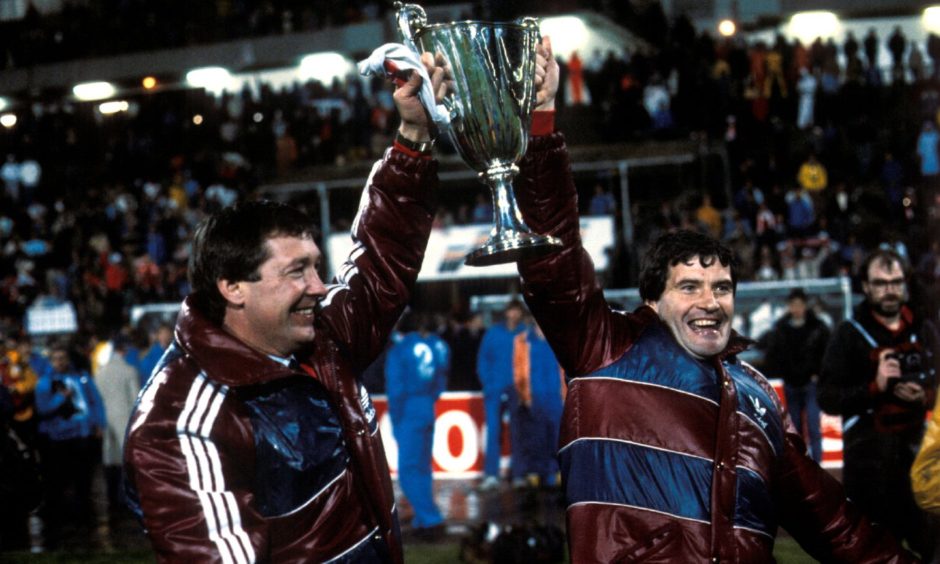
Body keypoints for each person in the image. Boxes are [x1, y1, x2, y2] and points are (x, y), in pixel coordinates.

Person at [509, 36, 915, 562]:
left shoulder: (759, 397)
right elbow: (553, 256)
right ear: (652, 303)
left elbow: (832, 522)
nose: (711, 301)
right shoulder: (607, 349)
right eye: (690, 287)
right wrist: (542, 125)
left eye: (722, 288)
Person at [123, 52, 449, 563]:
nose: (321, 287)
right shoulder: (179, 423)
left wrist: (412, 138)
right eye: (297, 271)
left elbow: (380, 262)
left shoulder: (318, 339)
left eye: (317, 267)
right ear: (233, 287)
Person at [819, 249, 938, 558]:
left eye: (896, 282)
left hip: (921, 462)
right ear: (867, 287)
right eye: (881, 283)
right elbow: (828, 399)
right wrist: (875, 387)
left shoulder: (924, 330)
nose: (890, 290)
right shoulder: (848, 335)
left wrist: (925, 395)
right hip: (870, 471)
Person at [384, 311, 449, 540]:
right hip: (427, 405)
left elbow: (396, 388)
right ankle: (423, 519)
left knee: (408, 470)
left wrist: (396, 418)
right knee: (422, 467)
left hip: (408, 407)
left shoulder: (400, 350)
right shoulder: (437, 345)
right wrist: (429, 399)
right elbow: (441, 379)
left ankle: (431, 519)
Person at [35, 343, 106, 543]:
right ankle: (61, 520)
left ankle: (85, 517)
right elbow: (43, 409)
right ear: (50, 361)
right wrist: (60, 398)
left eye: (63, 358)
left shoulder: (81, 377)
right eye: (56, 358)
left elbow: (95, 400)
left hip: (82, 434)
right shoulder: (45, 382)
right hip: (60, 437)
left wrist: (98, 423)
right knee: (60, 480)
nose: (60, 362)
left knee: (84, 478)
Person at [763, 288, 830, 463]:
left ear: (805, 306)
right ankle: (802, 467)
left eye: (800, 305)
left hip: (811, 383)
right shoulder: (780, 329)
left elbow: (827, 353)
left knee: (814, 427)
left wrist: (818, 373)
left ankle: (817, 466)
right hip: (791, 384)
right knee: (796, 430)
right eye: (794, 305)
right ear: (789, 306)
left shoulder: (818, 328)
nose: (797, 308)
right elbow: (772, 354)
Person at [476, 299, 527, 491]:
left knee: (518, 432)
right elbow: (483, 360)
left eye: (517, 312)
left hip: (517, 391)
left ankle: (518, 474)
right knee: (494, 431)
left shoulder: (525, 333)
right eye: (511, 311)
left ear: (520, 313)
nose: (513, 315)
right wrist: (488, 384)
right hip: (495, 390)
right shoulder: (493, 333)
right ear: (506, 313)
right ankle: (491, 475)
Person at [511, 319, 565, 488]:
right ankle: (535, 472)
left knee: (556, 437)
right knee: (535, 437)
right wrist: (524, 396)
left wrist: (566, 394)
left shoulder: (559, 338)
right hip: (534, 398)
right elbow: (518, 370)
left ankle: (554, 472)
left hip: (555, 397)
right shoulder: (522, 340)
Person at [94, 336, 140, 515]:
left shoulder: (100, 372)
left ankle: (111, 499)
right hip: (125, 419)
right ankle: (126, 499)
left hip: (106, 419)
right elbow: (136, 400)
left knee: (109, 458)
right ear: (124, 351)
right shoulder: (130, 371)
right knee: (125, 459)